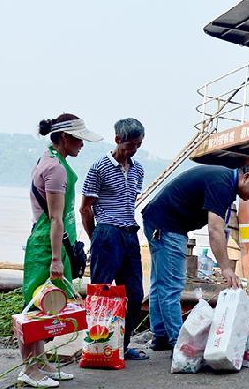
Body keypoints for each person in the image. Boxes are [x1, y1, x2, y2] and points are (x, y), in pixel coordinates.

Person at [141, 164, 249, 351]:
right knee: (172, 286)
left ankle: (160, 336)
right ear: (246, 177)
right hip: (166, 225)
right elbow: (215, 229)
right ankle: (180, 345)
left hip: (159, 220)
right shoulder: (222, 184)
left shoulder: (224, 181)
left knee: (160, 283)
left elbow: (221, 229)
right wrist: (226, 268)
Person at [20, 114, 102, 388]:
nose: (82, 144)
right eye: (79, 139)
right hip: (47, 244)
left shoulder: (52, 159)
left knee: (49, 304)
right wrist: (56, 259)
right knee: (35, 306)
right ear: (65, 138)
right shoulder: (55, 168)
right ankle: (28, 370)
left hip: (53, 241)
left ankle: (41, 363)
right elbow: (56, 217)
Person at [79, 118, 147, 361]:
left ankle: (121, 345)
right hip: (107, 231)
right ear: (117, 140)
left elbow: (130, 203)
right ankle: (96, 346)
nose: (133, 150)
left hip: (129, 234)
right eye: (130, 145)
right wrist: (95, 237)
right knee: (101, 292)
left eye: (138, 145)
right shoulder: (100, 167)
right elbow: (85, 208)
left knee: (135, 294)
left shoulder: (138, 169)